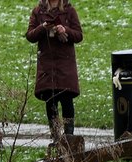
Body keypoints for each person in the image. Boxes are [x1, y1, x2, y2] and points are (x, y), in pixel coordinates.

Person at [25, 0, 83, 140]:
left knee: (67, 99)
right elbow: (30, 36)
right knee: (50, 101)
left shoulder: (70, 10)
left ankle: (69, 139)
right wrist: (43, 27)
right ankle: (55, 138)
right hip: (47, 64)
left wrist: (65, 30)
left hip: (65, 64)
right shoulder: (38, 11)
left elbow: (79, 36)